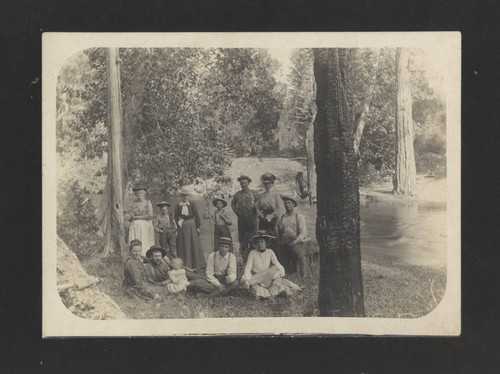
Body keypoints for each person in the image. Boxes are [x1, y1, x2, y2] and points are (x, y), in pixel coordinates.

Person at [241, 231, 302, 299]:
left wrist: (277, 274)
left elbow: (278, 265)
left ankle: (276, 293)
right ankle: (268, 295)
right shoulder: (252, 253)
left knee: (277, 278)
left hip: (267, 278)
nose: (260, 244)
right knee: (255, 288)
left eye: (262, 242)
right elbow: (248, 267)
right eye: (258, 242)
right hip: (257, 277)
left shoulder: (270, 252)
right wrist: (247, 279)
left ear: (266, 243)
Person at [174, 188, 206, 269]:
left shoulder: (192, 204)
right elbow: (175, 217)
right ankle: (186, 264)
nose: (184, 197)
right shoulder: (178, 206)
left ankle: (196, 263)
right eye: (183, 196)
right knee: (184, 243)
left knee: (194, 243)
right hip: (182, 226)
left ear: (188, 196)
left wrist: (198, 227)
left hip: (191, 224)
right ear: (181, 196)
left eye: (186, 196)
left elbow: (197, 215)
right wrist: (177, 229)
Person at [277, 196, 308, 276]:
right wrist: (278, 229)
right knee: (282, 260)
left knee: (301, 256)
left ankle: (303, 274)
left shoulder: (299, 217)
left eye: (289, 203)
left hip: (296, 241)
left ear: (294, 204)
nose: (287, 205)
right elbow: (280, 231)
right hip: (284, 242)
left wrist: (296, 240)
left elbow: (303, 232)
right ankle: (287, 271)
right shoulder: (282, 217)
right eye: (285, 203)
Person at [231, 175, 259, 262]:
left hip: (252, 219)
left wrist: (256, 209)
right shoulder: (237, 194)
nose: (243, 184)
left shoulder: (254, 193)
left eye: (245, 183)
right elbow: (232, 204)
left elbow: (260, 202)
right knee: (242, 240)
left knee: (253, 239)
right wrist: (237, 212)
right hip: (241, 219)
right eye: (241, 183)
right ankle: (244, 259)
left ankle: (254, 259)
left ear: (248, 183)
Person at [256, 172, 284, 252]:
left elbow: (279, 208)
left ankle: (274, 256)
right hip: (263, 219)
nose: (267, 186)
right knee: (263, 237)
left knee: (273, 238)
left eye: (269, 184)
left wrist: (272, 216)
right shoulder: (261, 196)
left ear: (272, 184)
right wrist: (261, 215)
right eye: (265, 184)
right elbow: (257, 207)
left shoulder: (276, 195)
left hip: (273, 220)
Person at [127, 185, 155, 256]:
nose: (139, 195)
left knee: (144, 240)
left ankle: (145, 254)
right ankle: (134, 254)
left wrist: (137, 217)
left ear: (144, 194)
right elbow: (130, 216)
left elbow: (150, 215)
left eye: (141, 193)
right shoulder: (134, 203)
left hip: (145, 225)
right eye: (137, 194)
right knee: (135, 239)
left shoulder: (147, 202)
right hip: (135, 225)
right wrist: (130, 217)